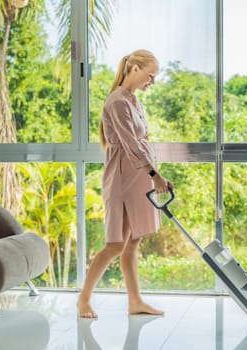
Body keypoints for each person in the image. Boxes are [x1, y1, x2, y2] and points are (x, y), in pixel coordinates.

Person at [78, 49, 173, 319]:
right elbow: (130, 144)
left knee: (133, 242)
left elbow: (141, 142)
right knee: (115, 244)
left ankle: (135, 301)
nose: (152, 82)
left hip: (137, 176)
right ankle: (83, 299)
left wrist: (155, 175)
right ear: (134, 69)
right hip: (123, 177)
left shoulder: (133, 100)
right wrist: (154, 175)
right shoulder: (117, 101)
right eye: (150, 75)